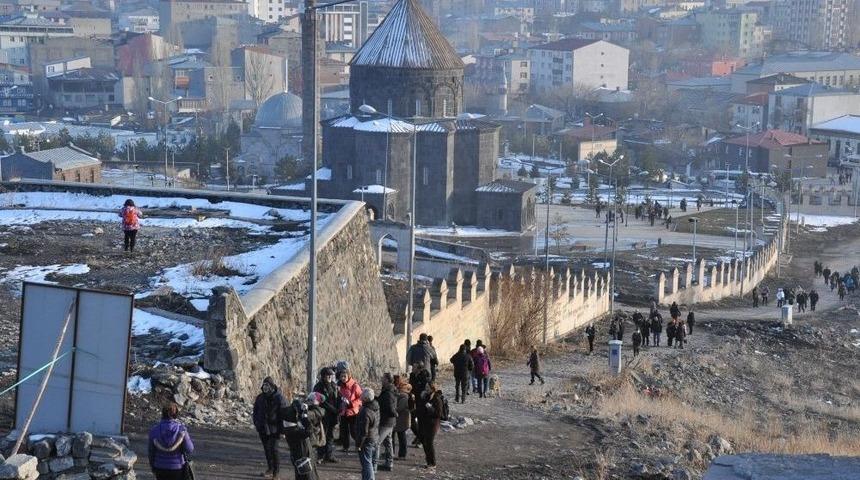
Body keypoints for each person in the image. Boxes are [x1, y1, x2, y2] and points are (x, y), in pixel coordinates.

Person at [253, 377, 287, 479]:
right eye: (264, 385)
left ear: (272, 386)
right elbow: (255, 411)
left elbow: (284, 414)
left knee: (274, 449)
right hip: (263, 428)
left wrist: (283, 430)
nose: (265, 387)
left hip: (274, 428)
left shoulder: (279, 398)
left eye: (267, 385)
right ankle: (270, 468)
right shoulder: (260, 397)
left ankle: (276, 472)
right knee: (267, 449)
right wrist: (257, 423)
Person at [148, 404, 194, 480]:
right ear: (176, 414)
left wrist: (153, 466)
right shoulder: (181, 429)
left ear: (163, 414)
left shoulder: (154, 430)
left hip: (160, 467)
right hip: (178, 467)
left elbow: (151, 452)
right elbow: (190, 449)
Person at [283, 398, 321, 480]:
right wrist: (305, 417)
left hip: (299, 458)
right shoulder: (295, 431)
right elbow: (309, 431)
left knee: (300, 475)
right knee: (308, 476)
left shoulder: (288, 428)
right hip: (304, 459)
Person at [312, 368, 339, 464]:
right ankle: (320, 455)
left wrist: (339, 407)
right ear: (323, 376)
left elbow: (337, 398)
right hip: (323, 414)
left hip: (333, 414)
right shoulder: (318, 387)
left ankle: (329, 455)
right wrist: (333, 409)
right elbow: (321, 402)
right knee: (322, 435)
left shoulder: (334, 385)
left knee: (330, 435)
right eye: (328, 375)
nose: (330, 377)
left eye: (331, 375)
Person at [416, 382, 444, 471]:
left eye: (428, 387)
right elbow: (421, 407)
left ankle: (432, 462)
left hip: (432, 424)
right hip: (425, 422)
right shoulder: (426, 396)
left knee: (429, 442)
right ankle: (428, 461)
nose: (426, 388)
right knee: (425, 442)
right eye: (426, 387)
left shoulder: (436, 398)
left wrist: (430, 408)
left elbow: (439, 413)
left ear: (432, 388)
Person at [355, 389, 379, 480]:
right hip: (373, 436)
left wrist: (358, 444)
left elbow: (363, 431)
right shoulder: (374, 406)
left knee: (366, 462)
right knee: (368, 462)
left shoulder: (365, 411)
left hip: (367, 439)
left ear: (365, 398)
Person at [376, 374, 398, 472]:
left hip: (386, 421)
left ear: (388, 380)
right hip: (389, 421)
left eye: (383, 378)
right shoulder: (388, 390)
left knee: (377, 443)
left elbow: (390, 408)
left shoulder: (388, 392)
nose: (381, 379)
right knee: (388, 442)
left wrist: (394, 414)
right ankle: (389, 463)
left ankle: (373, 465)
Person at [338, 369, 363, 452]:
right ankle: (345, 447)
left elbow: (361, 398)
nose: (343, 378)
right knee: (344, 431)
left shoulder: (355, 386)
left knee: (354, 431)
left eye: (344, 376)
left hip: (353, 412)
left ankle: (360, 445)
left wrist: (351, 403)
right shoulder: (340, 386)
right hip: (343, 411)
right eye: (341, 376)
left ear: (349, 376)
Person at [392, 376, 412, 460]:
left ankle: (402, 454)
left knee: (401, 437)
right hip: (399, 419)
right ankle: (391, 452)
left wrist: (392, 409)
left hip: (402, 420)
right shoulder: (400, 394)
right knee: (394, 436)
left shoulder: (404, 396)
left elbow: (400, 408)